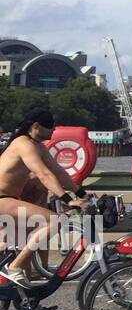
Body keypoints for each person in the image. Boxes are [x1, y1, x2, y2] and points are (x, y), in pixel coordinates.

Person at [0, 108, 87, 291]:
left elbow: (58, 172)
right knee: (55, 220)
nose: (53, 129)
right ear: (36, 126)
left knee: (24, 251)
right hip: (2, 199)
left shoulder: (38, 147)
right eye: (50, 126)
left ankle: (24, 301)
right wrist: (66, 199)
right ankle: (13, 268)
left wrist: (81, 193)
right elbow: (43, 173)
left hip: (9, 199)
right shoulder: (23, 144)